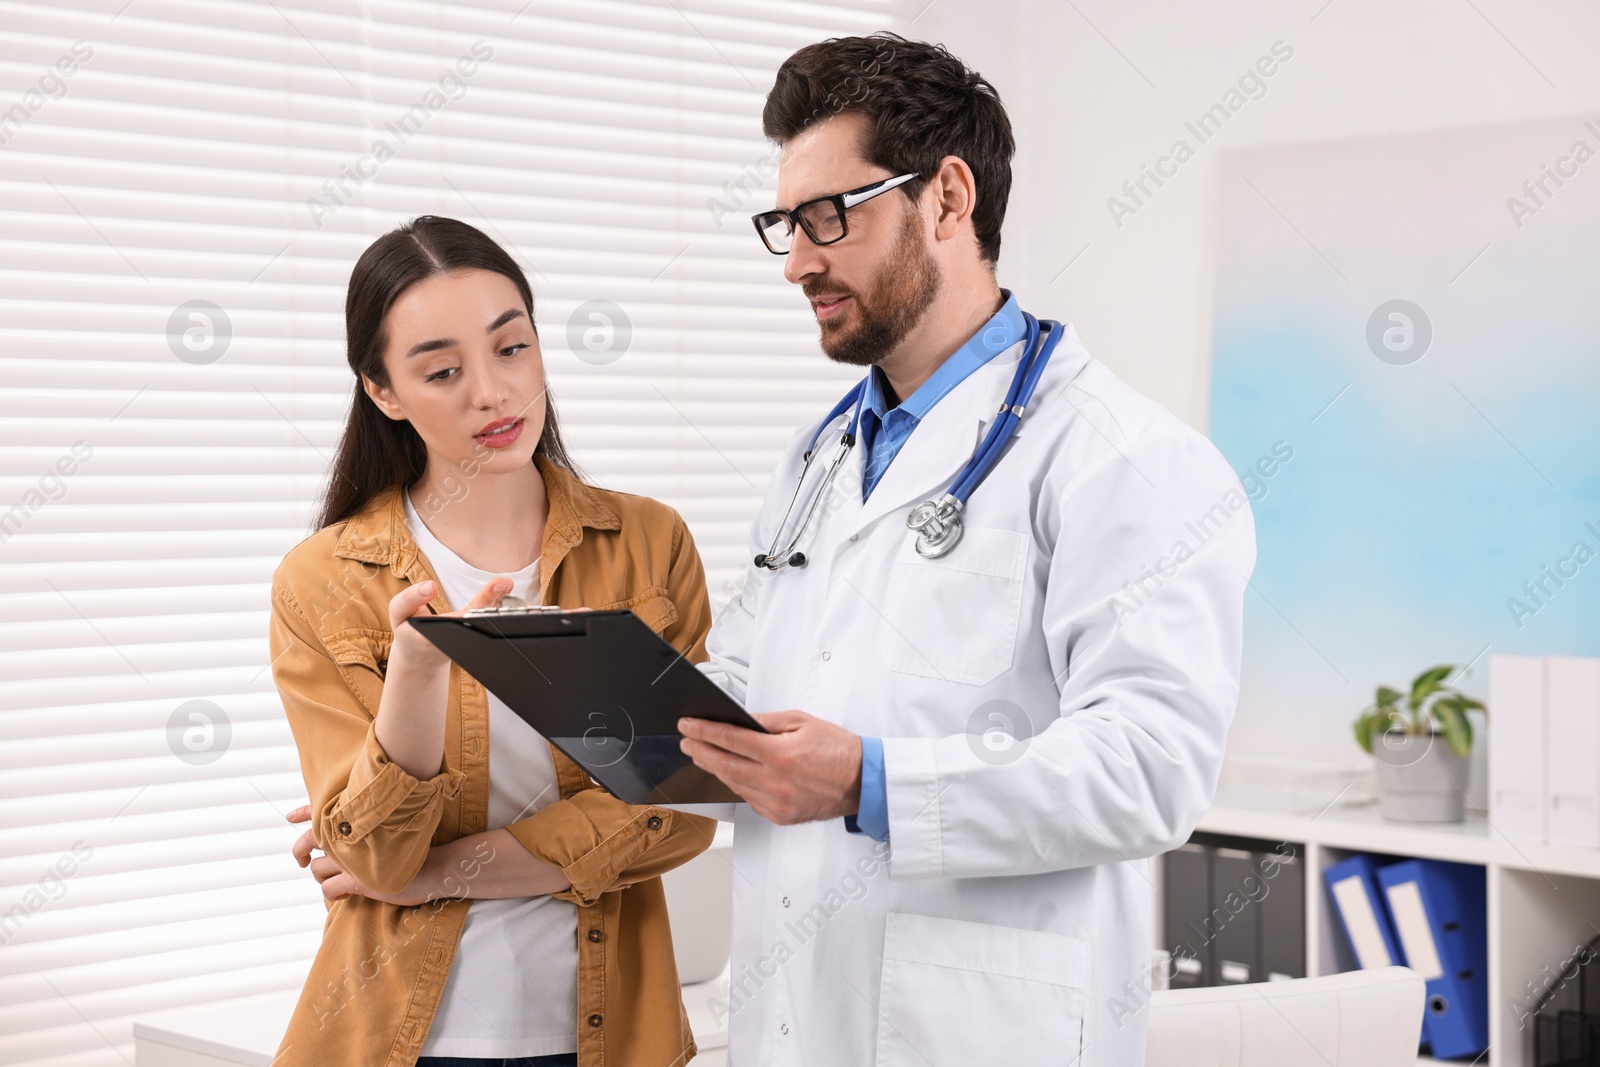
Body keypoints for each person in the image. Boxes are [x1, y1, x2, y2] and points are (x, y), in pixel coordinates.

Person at [674, 33, 1257, 1066]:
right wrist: (604, 700)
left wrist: (868, 781)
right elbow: (754, 690)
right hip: (791, 1022)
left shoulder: (1120, 457)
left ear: (947, 198)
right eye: (785, 224)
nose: (800, 258)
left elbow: (1147, 768)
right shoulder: (817, 459)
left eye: (828, 216)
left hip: (980, 1030)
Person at [268, 215, 717, 1067]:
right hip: (401, 1040)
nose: (491, 391)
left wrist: (437, 873)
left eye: (512, 349)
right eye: (442, 370)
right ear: (383, 391)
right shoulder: (323, 580)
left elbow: (685, 805)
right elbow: (372, 850)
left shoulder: (648, 543)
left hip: (613, 1035)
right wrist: (417, 670)